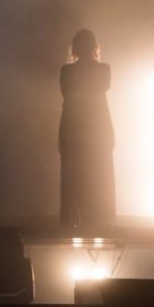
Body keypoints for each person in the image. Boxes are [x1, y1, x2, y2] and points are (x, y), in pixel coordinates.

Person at [58, 29, 116, 227]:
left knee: (81, 177)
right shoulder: (99, 70)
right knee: (92, 176)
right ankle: (93, 221)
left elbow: (72, 92)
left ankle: (83, 221)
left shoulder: (72, 71)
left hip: (81, 129)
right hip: (89, 129)